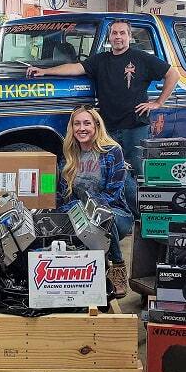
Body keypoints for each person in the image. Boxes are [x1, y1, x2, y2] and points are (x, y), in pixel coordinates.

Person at [27, 19, 180, 178]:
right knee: (110, 170)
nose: (118, 37)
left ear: (129, 36)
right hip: (108, 128)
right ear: (109, 37)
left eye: (122, 33)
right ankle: (114, 203)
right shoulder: (100, 60)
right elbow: (75, 68)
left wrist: (158, 103)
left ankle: (138, 202)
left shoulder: (142, 58)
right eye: (114, 33)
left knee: (138, 170)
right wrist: (45, 71)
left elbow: (173, 75)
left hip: (135, 126)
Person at [56, 106, 133, 298]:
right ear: (71, 128)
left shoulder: (112, 151)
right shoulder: (68, 157)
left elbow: (113, 194)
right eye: (77, 124)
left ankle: (117, 267)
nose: (82, 128)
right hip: (81, 215)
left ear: (97, 126)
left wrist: (89, 212)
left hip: (116, 215)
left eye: (87, 123)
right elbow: (62, 196)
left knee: (102, 216)